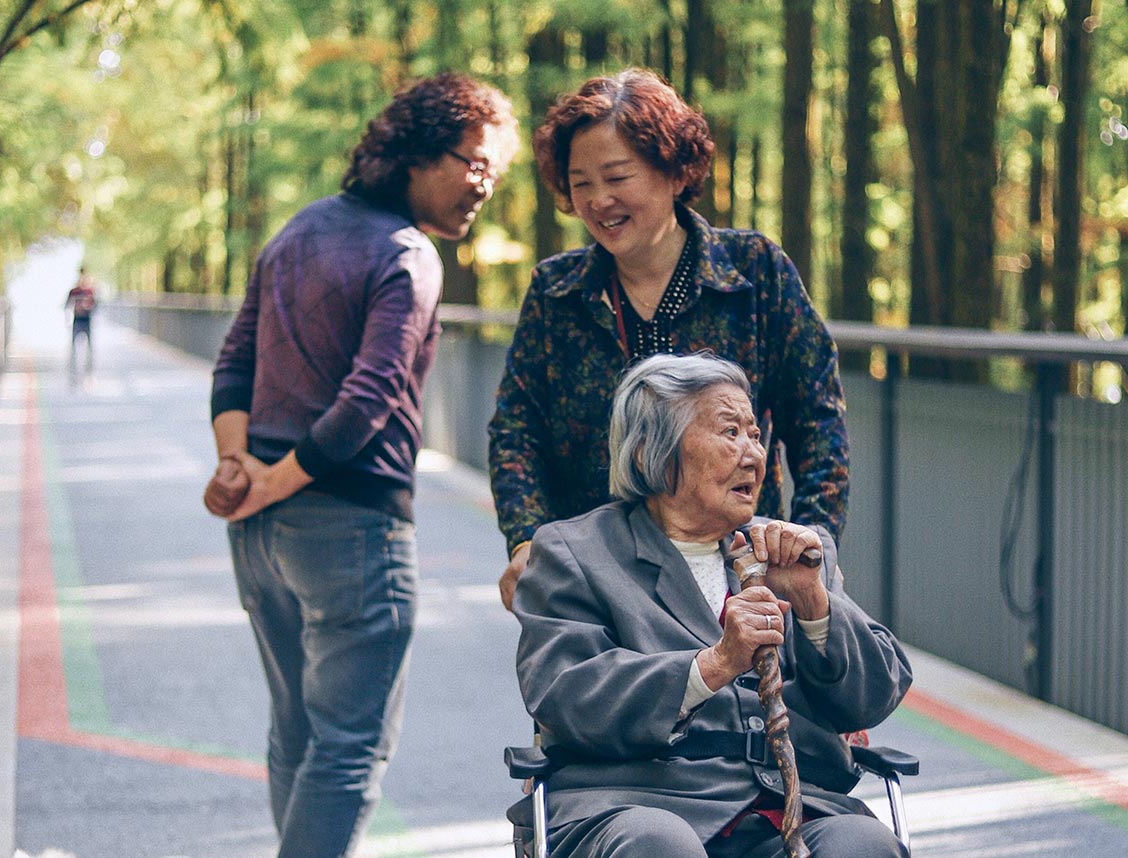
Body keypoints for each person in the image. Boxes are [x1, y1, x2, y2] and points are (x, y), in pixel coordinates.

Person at [208, 73, 518, 858]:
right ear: (415, 153)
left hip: (262, 537)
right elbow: (368, 399)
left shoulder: (298, 230)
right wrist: (266, 479)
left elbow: (234, 363)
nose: (483, 185)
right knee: (348, 750)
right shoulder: (408, 254)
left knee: (298, 732)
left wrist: (240, 469)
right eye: (471, 162)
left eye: (494, 171)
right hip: (353, 531)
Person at [511, 352, 912, 858]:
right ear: (651, 454)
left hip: (787, 810)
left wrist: (812, 600)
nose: (754, 455)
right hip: (637, 806)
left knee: (863, 845)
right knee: (660, 845)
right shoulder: (575, 552)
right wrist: (714, 664)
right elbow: (565, 694)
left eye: (755, 434)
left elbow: (873, 698)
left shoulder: (792, 552)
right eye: (730, 433)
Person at [488, 68, 849, 611]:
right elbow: (517, 430)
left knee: (743, 696)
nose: (598, 200)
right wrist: (527, 539)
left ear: (676, 172)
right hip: (597, 581)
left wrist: (811, 545)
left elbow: (818, 421)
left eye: (617, 176)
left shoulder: (756, 273)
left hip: (738, 577)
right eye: (581, 182)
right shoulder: (555, 293)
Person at [64, 267, 97, 375]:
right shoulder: (74, 291)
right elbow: (67, 305)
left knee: (89, 348)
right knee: (73, 347)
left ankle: (89, 372)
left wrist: (88, 306)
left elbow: (95, 305)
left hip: (87, 320)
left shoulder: (90, 291)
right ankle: (72, 371)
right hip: (77, 320)